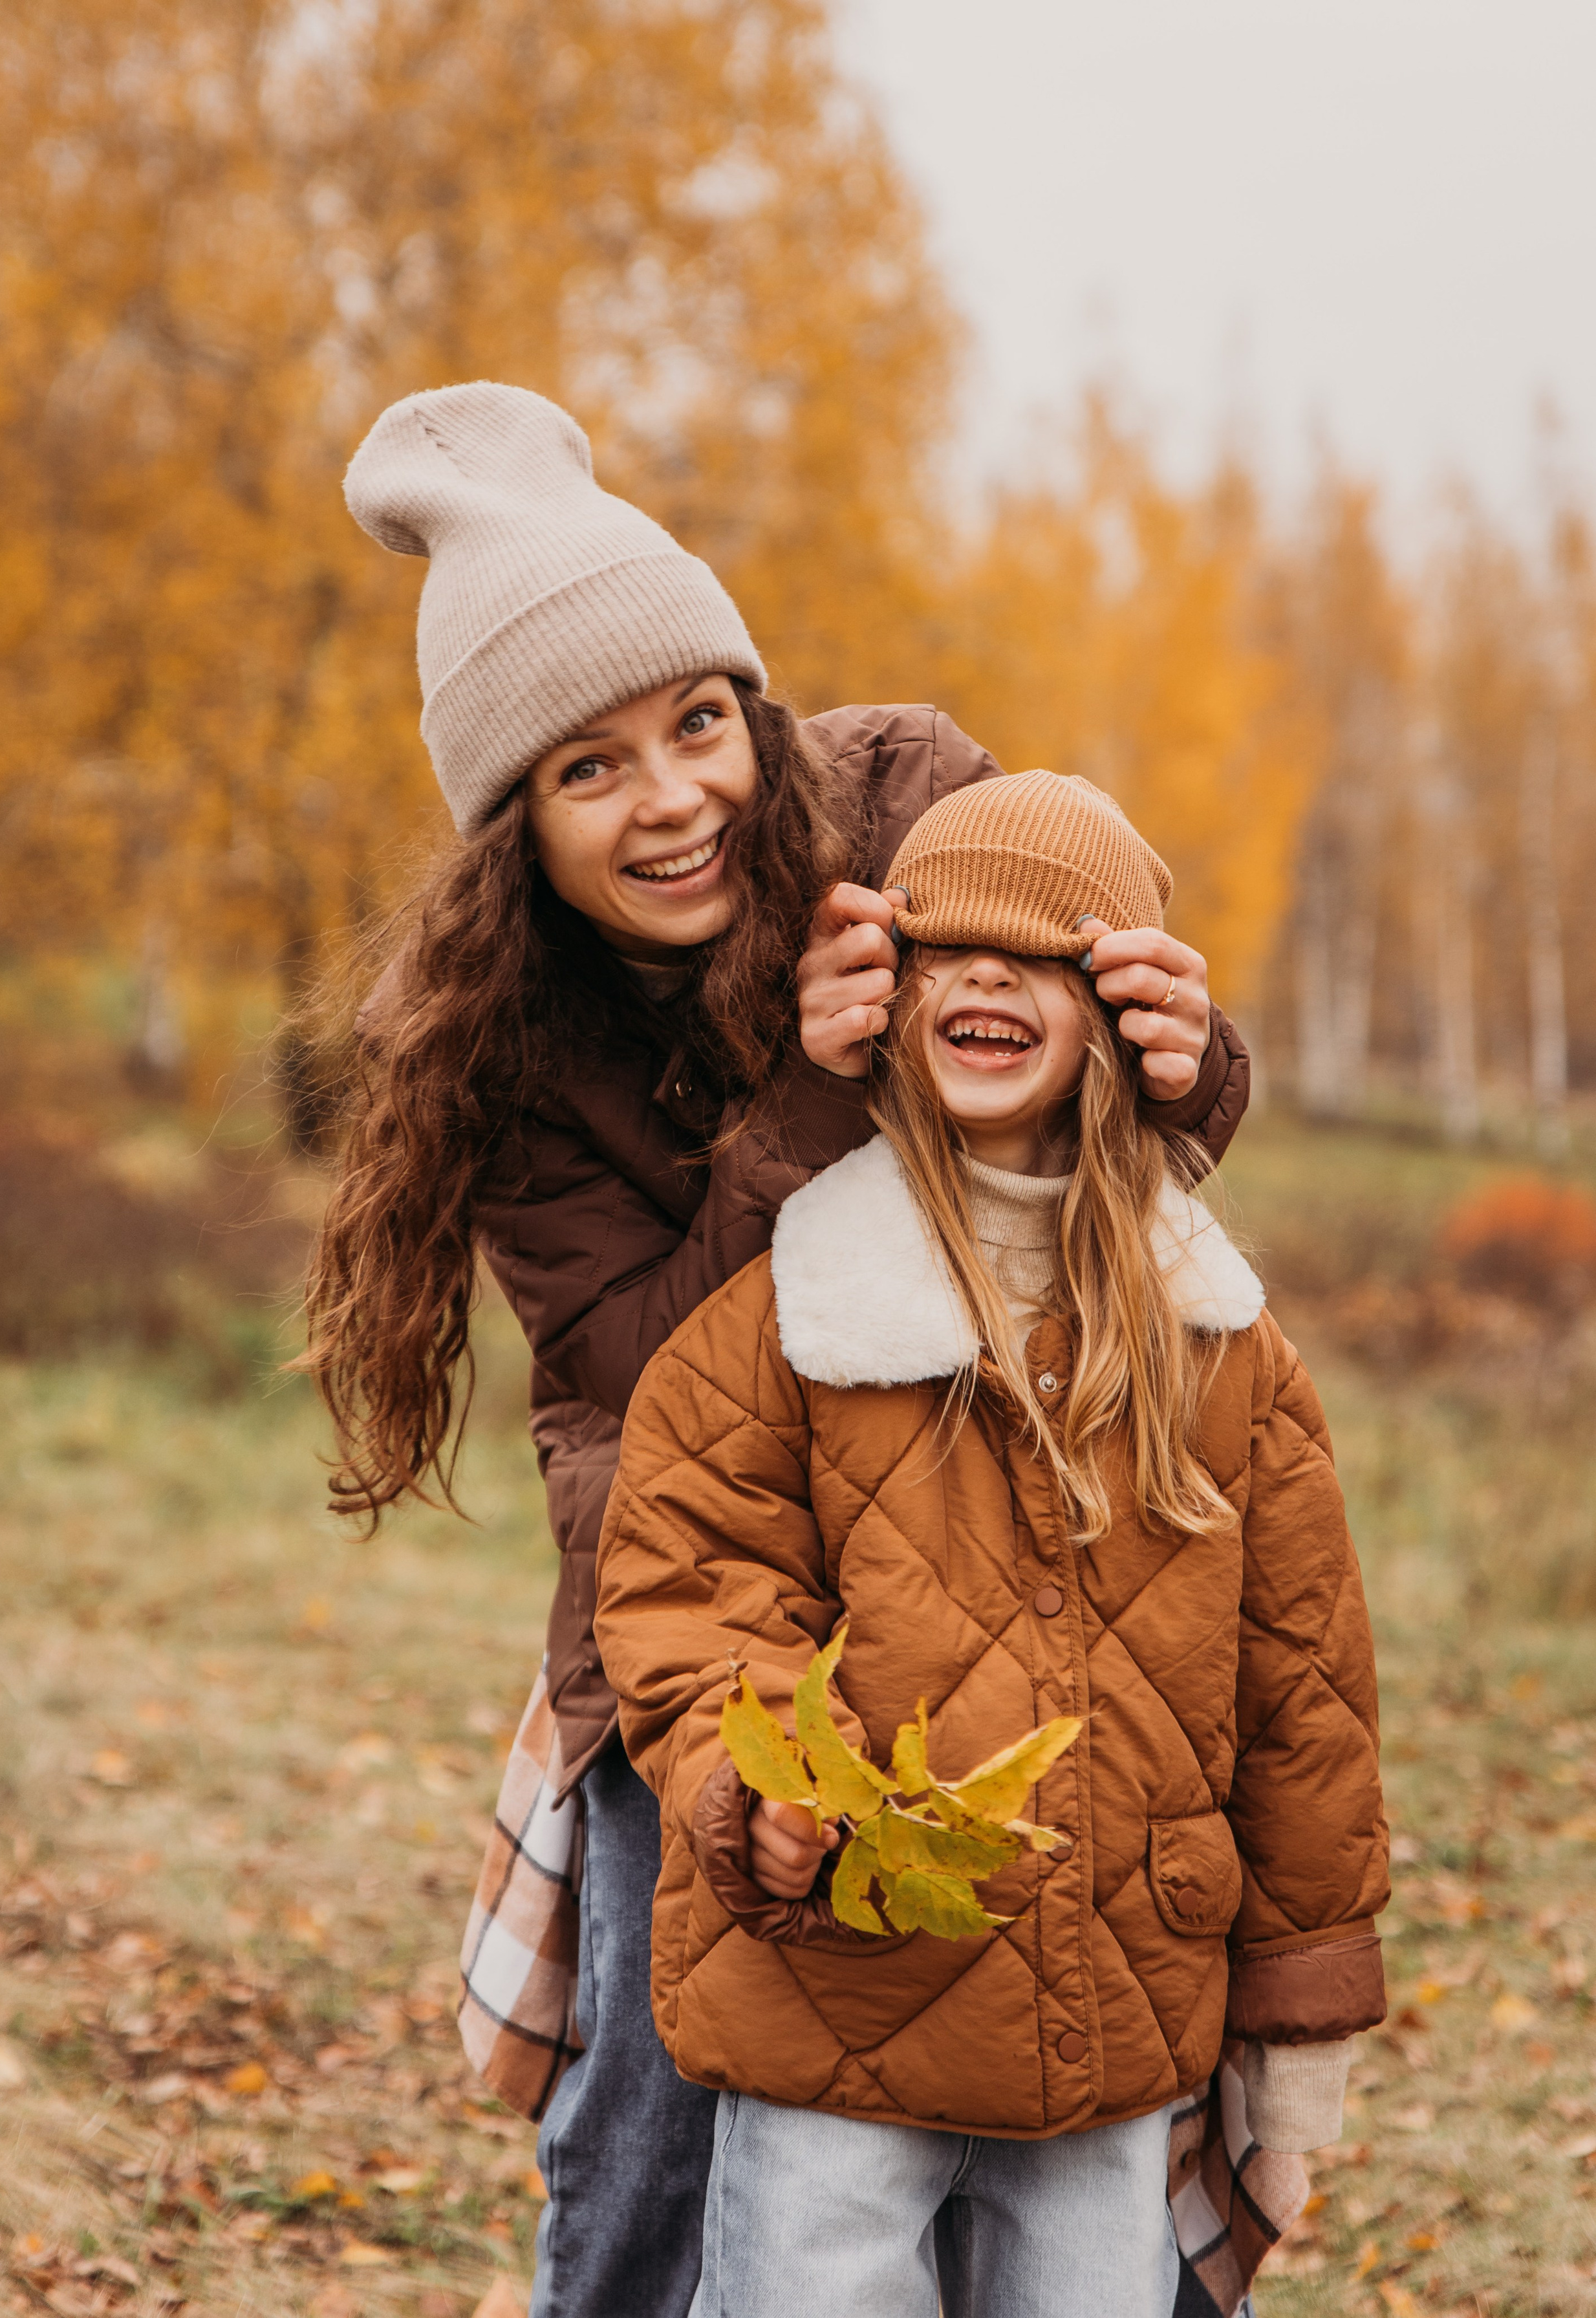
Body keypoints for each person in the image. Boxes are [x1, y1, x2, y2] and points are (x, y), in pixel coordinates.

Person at [305, 382, 1251, 2318]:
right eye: (589, 769)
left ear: (751, 704)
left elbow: (1093, 1157)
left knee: (1061, 2078)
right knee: (666, 2113)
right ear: (514, 829)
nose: (675, 799)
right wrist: (808, 1119)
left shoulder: (909, 801)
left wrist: (1181, 1056)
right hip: (697, 1609)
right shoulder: (496, 1048)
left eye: (698, 720)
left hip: (1007, 1550)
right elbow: (653, 1399)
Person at [593, 772, 1390, 2318]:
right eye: (940, 950)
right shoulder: (786, 1315)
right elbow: (692, 1602)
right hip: (834, 2002)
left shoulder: (1216, 1343)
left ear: (1113, 1008)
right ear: (891, 1002)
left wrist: (1300, 2010)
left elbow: (1301, 1690)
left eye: (1031, 957)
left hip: (1112, 2018)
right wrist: (748, 1786)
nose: (976, 981)